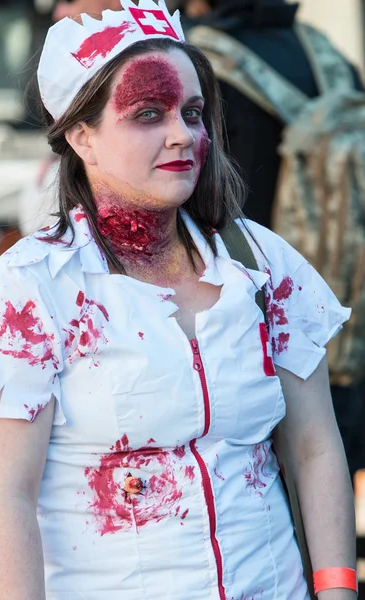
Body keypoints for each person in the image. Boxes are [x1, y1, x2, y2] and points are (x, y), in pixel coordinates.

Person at [0, 1, 357, 599]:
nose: (183, 134)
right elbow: (7, 500)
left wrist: (336, 590)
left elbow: (315, 446)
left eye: (193, 112)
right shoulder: (27, 292)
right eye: (149, 113)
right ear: (81, 136)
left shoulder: (262, 263)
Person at [181, 0, 365, 482]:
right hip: (344, 302)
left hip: (255, 309)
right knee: (328, 468)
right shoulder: (326, 56)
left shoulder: (198, 63)